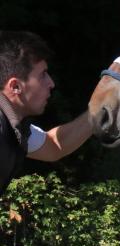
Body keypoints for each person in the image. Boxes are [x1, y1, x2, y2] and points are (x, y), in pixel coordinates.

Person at [0, 31, 92, 195]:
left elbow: (53, 145)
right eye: (42, 75)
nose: (51, 83)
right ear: (15, 86)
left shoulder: (15, 128)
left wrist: (101, 110)